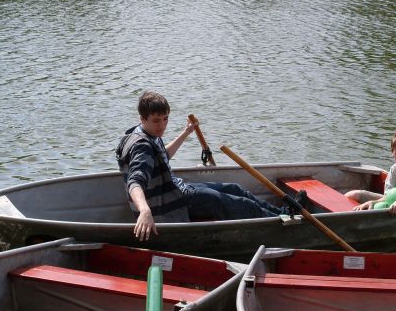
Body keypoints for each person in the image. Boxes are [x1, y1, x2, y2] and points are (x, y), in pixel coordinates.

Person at [116, 91, 287, 241]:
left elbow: (163, 156)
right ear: (142, 118)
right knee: (230, 202)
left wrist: (186, 132)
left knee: (234, 188)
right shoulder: (142, 146)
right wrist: (145, 211)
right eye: (156, 121)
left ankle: (283, 212)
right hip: (171, 203)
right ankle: (282, 222)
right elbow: (135, 182)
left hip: (176, 190)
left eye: (165, 119)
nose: (162, 125)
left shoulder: (145, 133)